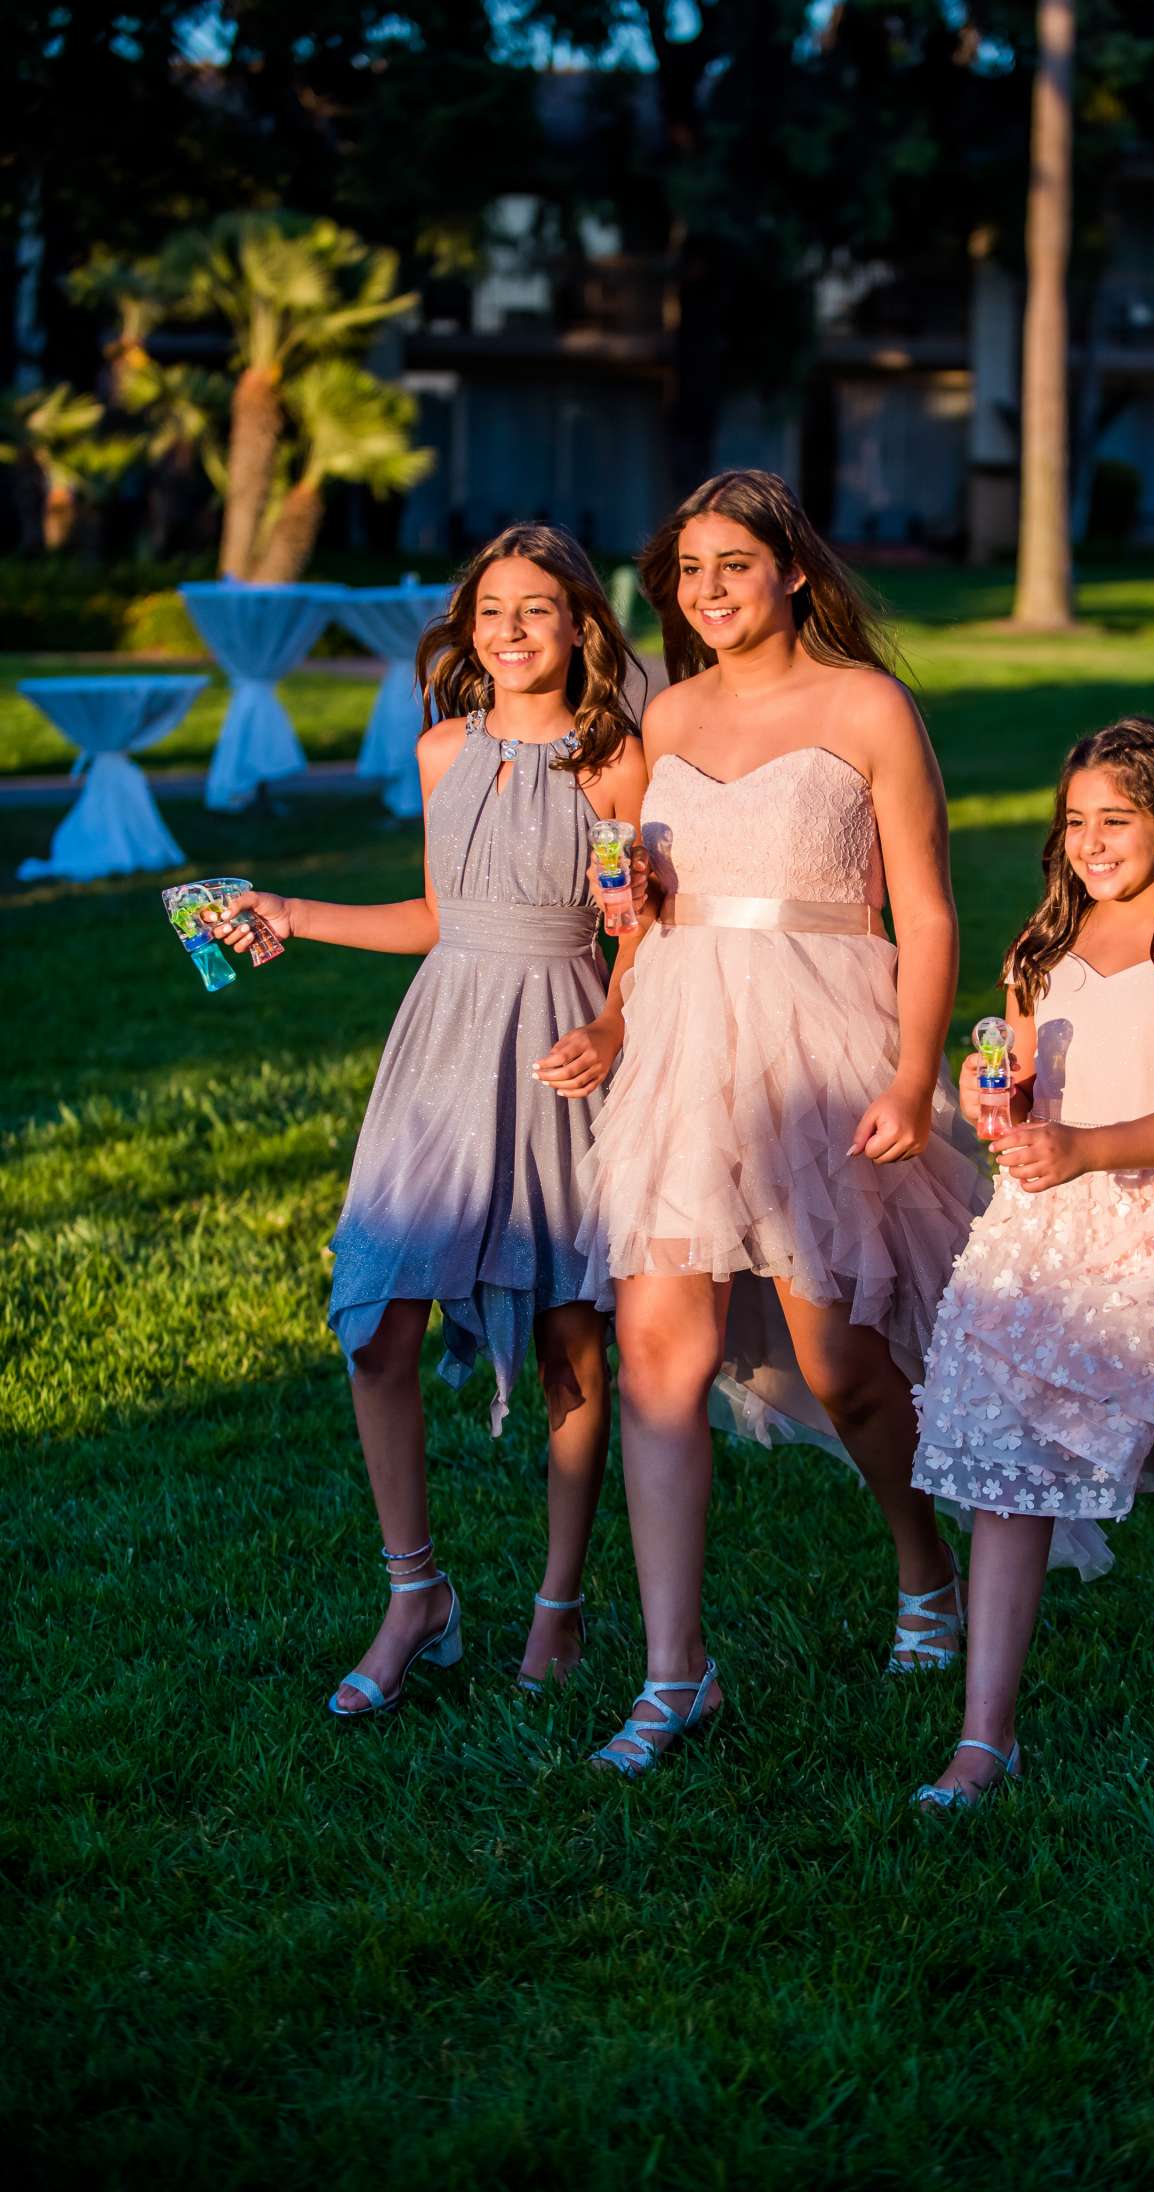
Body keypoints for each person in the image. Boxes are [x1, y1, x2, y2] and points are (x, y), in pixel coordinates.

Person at [574, 468, 989, 1776]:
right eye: (686, 572)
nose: (705, 592)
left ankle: (926, 1569)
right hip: (683, 1043)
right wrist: (617, 973)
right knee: (657, 1352)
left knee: (844, 1366)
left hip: (820, 1041)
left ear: (793, 570)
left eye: (729, 566)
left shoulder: (866, 707)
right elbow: (640, 903)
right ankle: (671, 1675)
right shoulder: (667, 713)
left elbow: (921, 913)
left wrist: (913, 1075)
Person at [211, 525, 647, 1717]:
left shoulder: (617, 759)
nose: (510, 632)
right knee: (379, 1323)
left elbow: (648, 926)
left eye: (538, 610)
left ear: (582, 628)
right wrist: (292, 912)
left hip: (565, 1042)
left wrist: (614, 1029)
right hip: (443, 1043)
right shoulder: (441, 748)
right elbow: (441, 916)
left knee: (569, 1334)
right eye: (490, 611)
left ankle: (559, 1604)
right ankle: (418, 1595)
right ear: (467, 629)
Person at [909, 715, 1154, 1808]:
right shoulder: (1040, 954)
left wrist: (1084, 1144)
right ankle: (986, 1737)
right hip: (1047, 1235)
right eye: (1075, 821)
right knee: (1012, 1466)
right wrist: (996, 1092)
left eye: (1115, 820)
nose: (1090, 841)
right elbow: (1021, 1078)